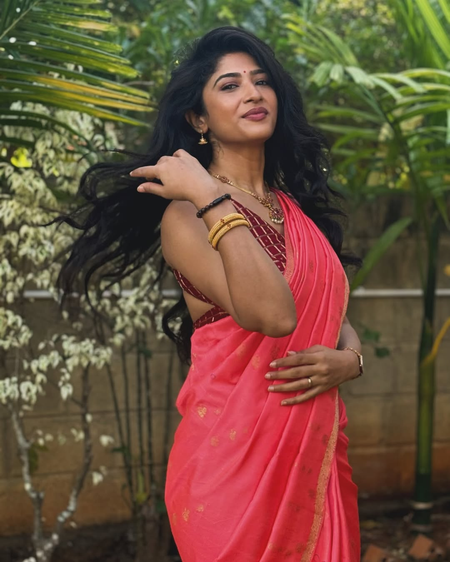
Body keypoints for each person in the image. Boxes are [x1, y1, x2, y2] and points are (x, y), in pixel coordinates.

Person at [55, 26, 363, 562]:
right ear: (199, 119)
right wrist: (208, 192)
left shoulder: (294, 211)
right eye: (229, 85)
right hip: (232, 475)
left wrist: (351, 361)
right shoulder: (186, 216)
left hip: (311, 463)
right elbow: (274, 315)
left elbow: (335, 315)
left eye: (261, 81)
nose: (252, 93)